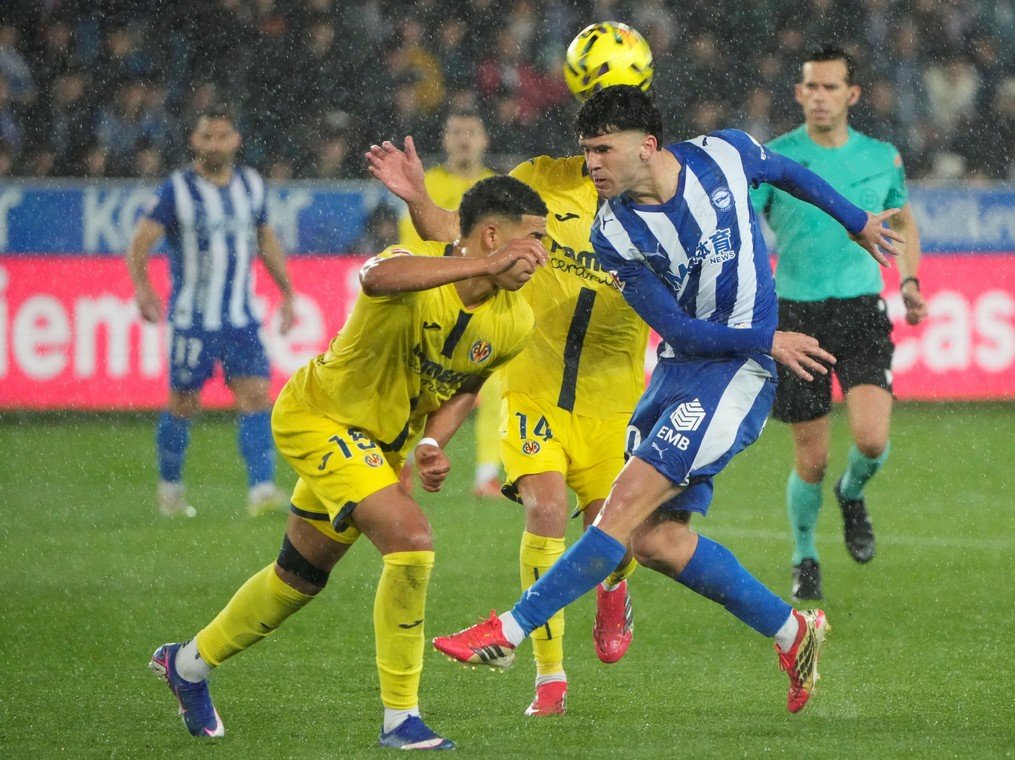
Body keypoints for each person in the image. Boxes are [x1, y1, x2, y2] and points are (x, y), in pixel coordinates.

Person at [431, 85, 904, 713]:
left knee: (618, 511)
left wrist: (857, 222)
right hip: (682, 369)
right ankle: (795, 633)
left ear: (647, 145)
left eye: (602, 149)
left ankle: (508, 631)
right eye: (585, 151)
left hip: (737, 374)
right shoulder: (614, 232)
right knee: (654, 541)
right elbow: (679, 330)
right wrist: (769, 334)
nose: (591, 163)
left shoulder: (727, 155)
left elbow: (788, 171)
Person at [148, 174, 549, 751]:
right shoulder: (411, 268)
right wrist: (476, 267)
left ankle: (185, 664)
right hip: (321, 418)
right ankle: (401, 718)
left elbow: (465, 387)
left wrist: (432, 444)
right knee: (411, 538)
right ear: (492, 236)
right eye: (532, 239)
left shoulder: (515, 320)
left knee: (298, 579)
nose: (541, 254)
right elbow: (377, 277)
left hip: (378, 448)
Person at [369, 46, 652, 718]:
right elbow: (462, 237)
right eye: (590, 133)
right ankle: (549, 678)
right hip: (536, 386)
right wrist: (416, 197)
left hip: (615, 399)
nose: (594, 150)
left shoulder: (657, 201)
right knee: (545, 509)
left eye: (608, 136)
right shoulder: (538, 182)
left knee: (616, 539)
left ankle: (614, 587)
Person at [751, 47, 927, 601]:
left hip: (859, 310)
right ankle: (805, 555)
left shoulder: (882, 157)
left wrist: (910, 282)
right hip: (797, 315)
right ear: (799, 93)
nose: (819, 97)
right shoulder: (774, 158)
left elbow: (901, 218)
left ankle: (852, 495)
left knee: (872, 442)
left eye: (831, 88)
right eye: (811, 87)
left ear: (852, 95)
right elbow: (744, 224)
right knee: (812, 458)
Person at [127, 106, 297, 519]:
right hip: (192, 319)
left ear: (236, 140)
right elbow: (140, 242)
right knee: (183, 402)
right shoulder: (177, 190)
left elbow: (265, 239)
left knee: (256, 396)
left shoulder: (252, 186)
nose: (215, 144)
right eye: (207, 137)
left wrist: (288, 293)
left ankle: (262, 490)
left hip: (241, 317)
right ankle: (170, 490)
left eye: (222, 136)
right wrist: (144, 287)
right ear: (194, 142)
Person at [395, 109, 502, 499]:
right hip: (436, 299)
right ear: (444, 139)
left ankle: (487, 475)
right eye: (456, 131)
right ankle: (401, 463)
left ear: (485, 140)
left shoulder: (497, 186)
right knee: (418, 386)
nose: (464, 139)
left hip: (484, 302)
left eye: (472, 131)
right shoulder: (429, 183)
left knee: (493, 388)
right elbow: (417, 240)